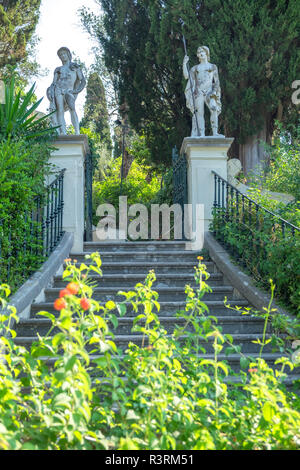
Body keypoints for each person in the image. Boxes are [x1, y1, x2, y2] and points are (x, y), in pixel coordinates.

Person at [183, 46, 223, 137]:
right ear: (197, 55)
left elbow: (216, 81)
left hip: (210, 92)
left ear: (206, 53)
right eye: (199, 52)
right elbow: (186, 76)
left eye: (203, 51)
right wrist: (184, 64)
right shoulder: (195, 68)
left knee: (214, 108)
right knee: (199, 113)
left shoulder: (213, 66)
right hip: (199, 92)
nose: (201, 53)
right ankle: (201, 134)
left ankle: (215, 132)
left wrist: (214, 92)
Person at [47, 47, 86, 135]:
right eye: (60, 55)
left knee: (72, 108)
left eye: (64, 54)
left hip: (69, 90)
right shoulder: (58, 69)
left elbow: (83, 81)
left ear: (68, 54)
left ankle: (77, 132)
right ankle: (63, 132)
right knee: (60, 110)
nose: (62, 56)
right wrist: (50, 92)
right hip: (58, 89)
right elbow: (54, 83)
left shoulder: (74, 67)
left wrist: (76, 91)